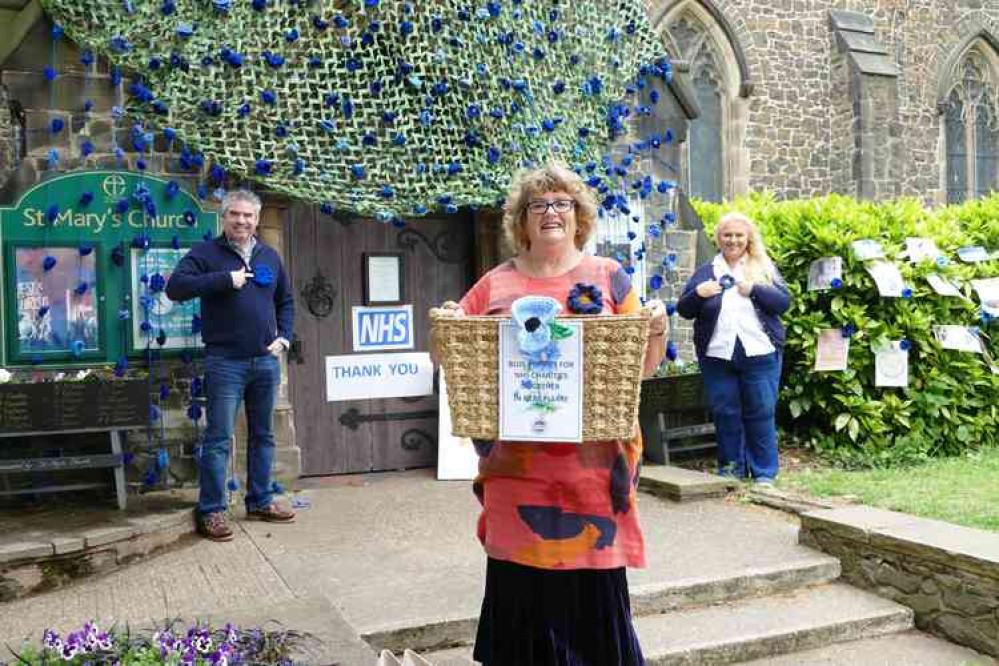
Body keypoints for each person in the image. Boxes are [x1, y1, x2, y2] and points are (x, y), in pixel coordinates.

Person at [432, 162, 667, 666]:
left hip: (591, 479)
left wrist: (658, 329)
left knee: (593, 617)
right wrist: (448, 323)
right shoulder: (495, 283)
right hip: (519, 479)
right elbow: (449, 353)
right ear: (521, 220)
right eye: (537, 205)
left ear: (579, 215)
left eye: (561, 203)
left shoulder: (608, 276)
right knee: (522, 601)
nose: (550, 212)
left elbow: (641, 370)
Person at [166, 189, 295, 542]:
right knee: (219, 438)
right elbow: (175, 288)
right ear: (224, 217)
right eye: (235, 215)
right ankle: (212, 510)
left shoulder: (269, 256)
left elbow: (285, 301)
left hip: (265, 362)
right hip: (225, 361)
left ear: (256, 219)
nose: (242, 221)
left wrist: (284, 338)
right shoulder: (206, 253)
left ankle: (260, 500)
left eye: (249, 216)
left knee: (263, 435)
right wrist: (224, 279)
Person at [676, 212, 790, 486]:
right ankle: (731, 470)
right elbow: (684, 310)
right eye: (727, 235)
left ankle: (764, 474)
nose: (733, 240)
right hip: (718, 356)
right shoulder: (706, 271)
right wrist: (698, 294)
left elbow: (783, 303)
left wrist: (754, 290)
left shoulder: (762, 267)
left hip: (760, 352)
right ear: (719, 238)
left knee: (761, 411)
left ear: (748, 238)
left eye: (739, 235)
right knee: (726, 413)